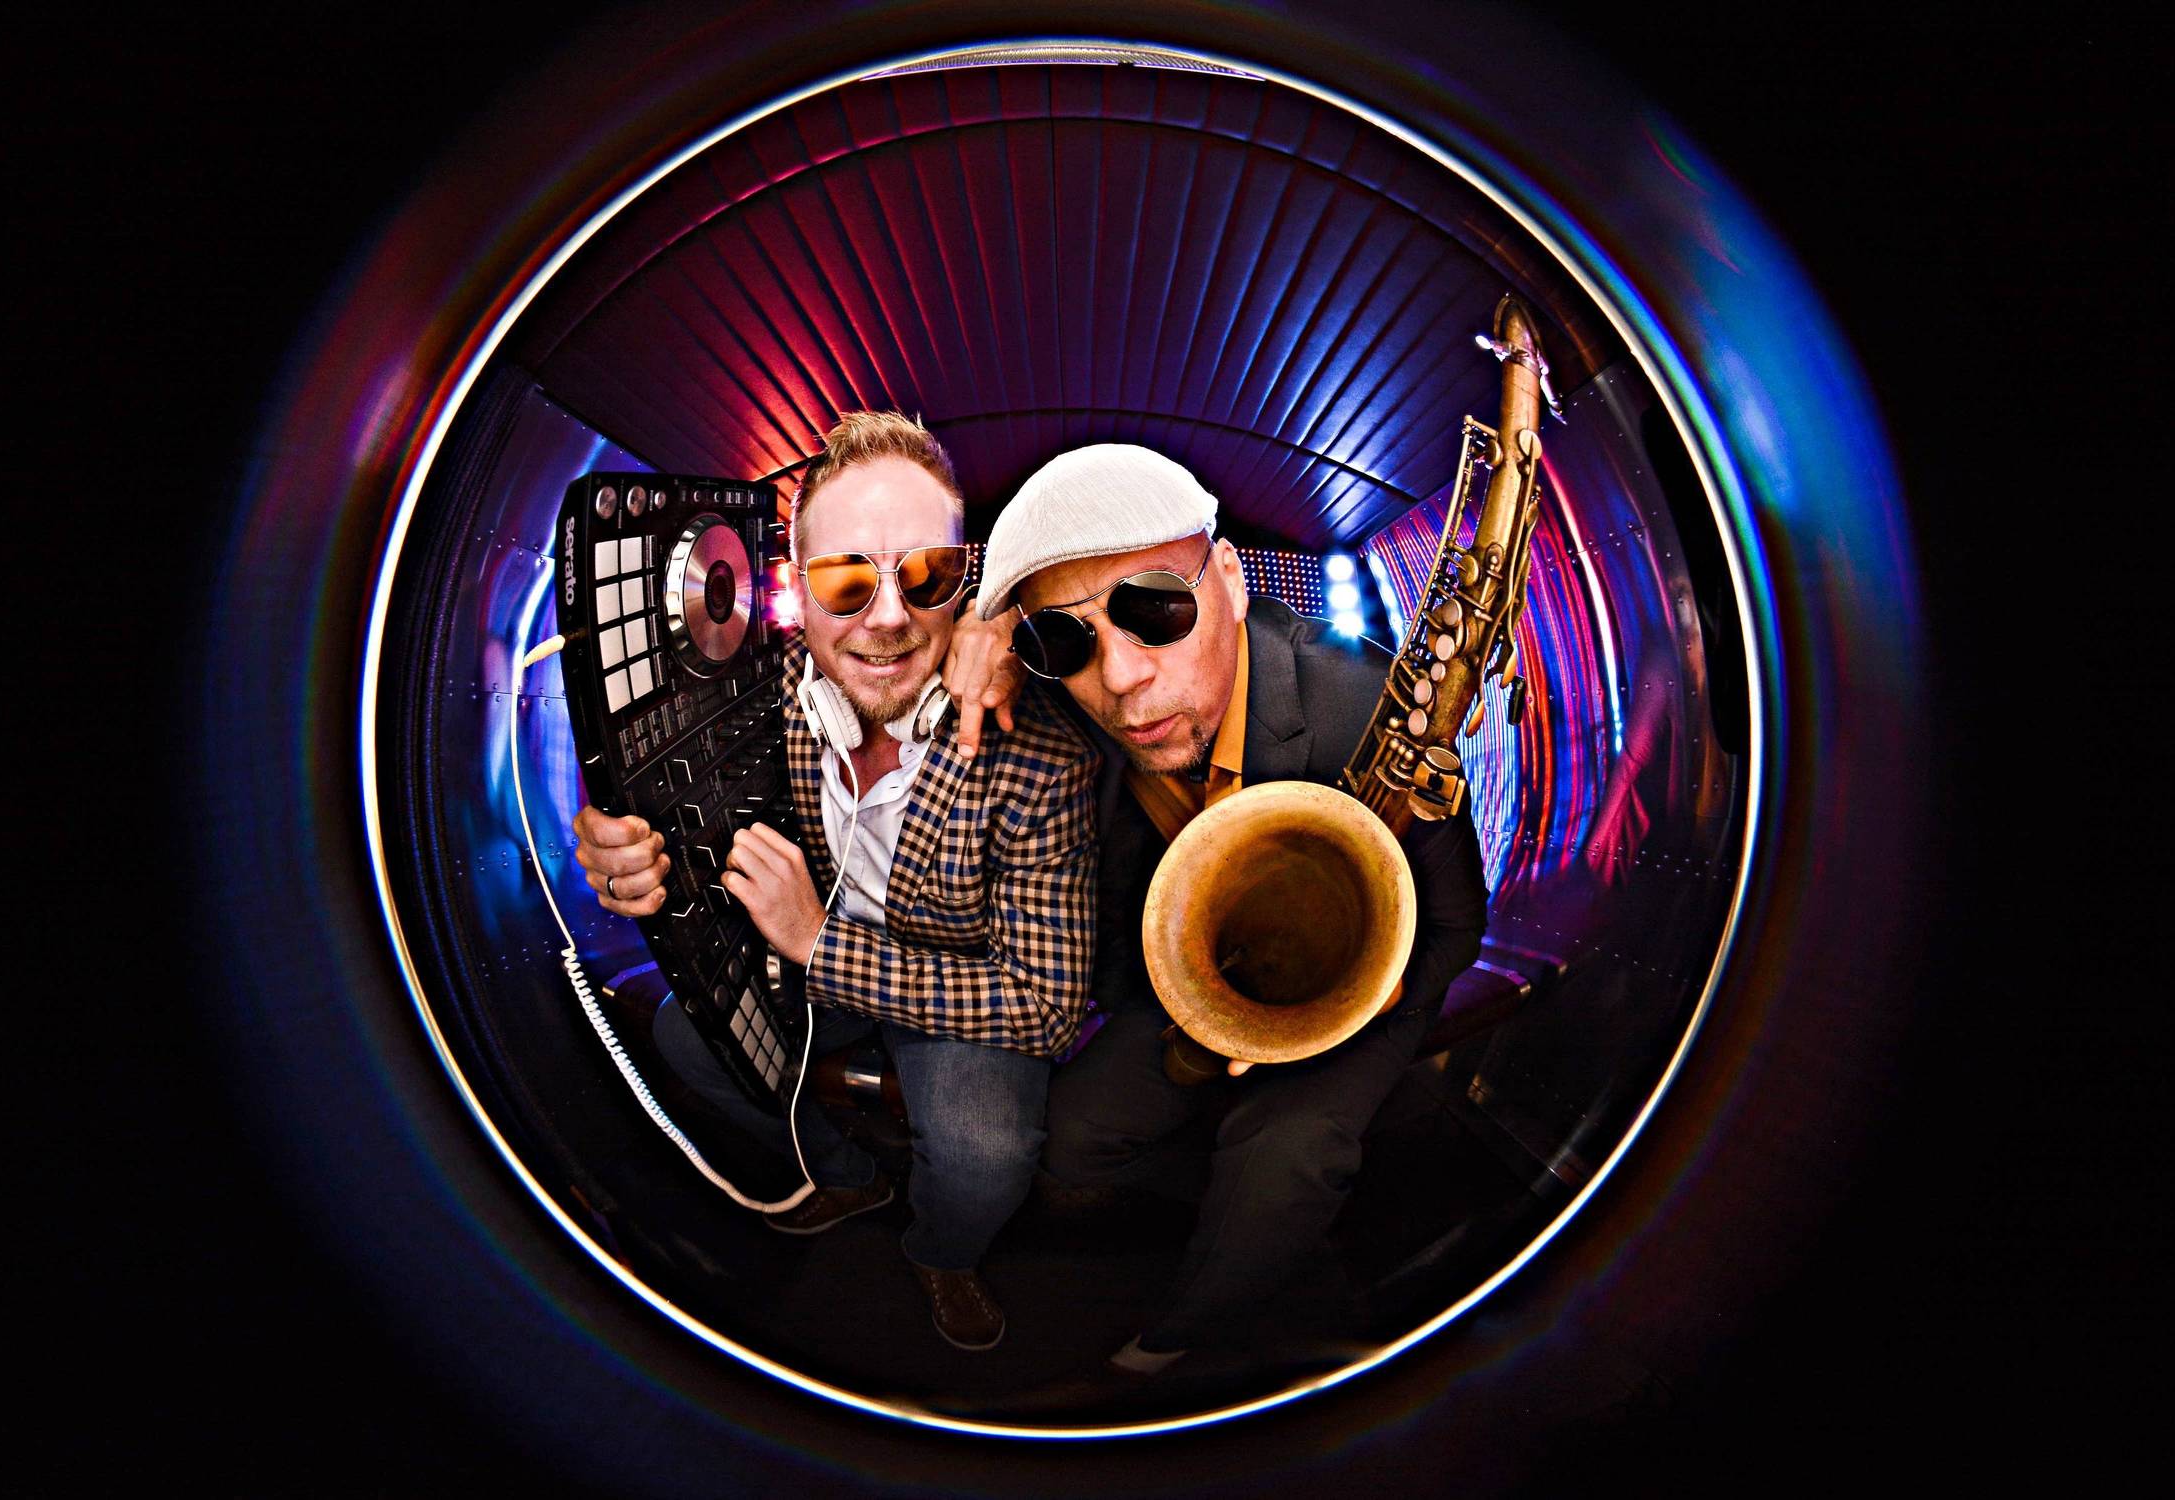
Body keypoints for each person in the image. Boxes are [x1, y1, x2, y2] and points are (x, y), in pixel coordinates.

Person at [963, 442, 1489, 1387]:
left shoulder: (1366, 707)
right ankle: (1214, 1185)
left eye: (1156, 608)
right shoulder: (1068, 705)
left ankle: (1184, 1336)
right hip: (1207, 982)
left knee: (1284, 1161)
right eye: (1066, 643)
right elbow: (896, 654)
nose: (1121, 678)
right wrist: (987, 637)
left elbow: (1455, 922)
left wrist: (1360, 1001)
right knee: (1073, 1138)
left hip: (1360, 984)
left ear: (1236, 582)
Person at [572, 412, 1099, 1353]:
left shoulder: (1043, 754)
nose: (889, 617)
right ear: (794, 590)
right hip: (807, 962)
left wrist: (819, 941)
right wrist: (633, 856)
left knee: (985, 1159)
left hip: (959, 990)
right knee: (687, 1040)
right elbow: (676, 799)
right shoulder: (754, 688)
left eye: (926, 574)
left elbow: (1046, 1008)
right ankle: (847, 1178)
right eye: (847, 580)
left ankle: (941, 1253)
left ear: (963, 582)